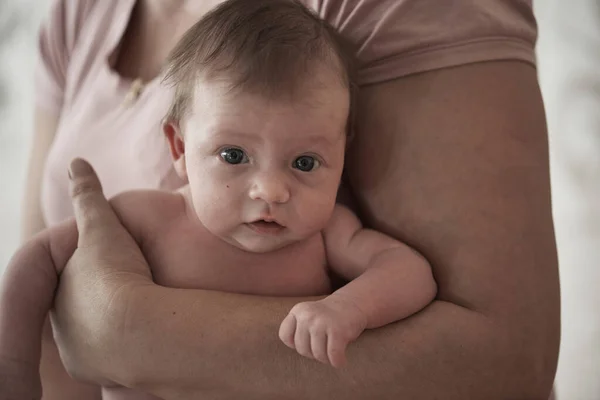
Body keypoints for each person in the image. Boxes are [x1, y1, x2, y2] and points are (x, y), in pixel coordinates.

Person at [12, 0, 560, 398]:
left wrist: (348, 309)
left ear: (342, 155)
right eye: (232, 157)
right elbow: (36, 260)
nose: (272, 190)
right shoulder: (147, 214)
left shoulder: (326, 233)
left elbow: (409, 274)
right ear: (179, 148)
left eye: (304, 164)